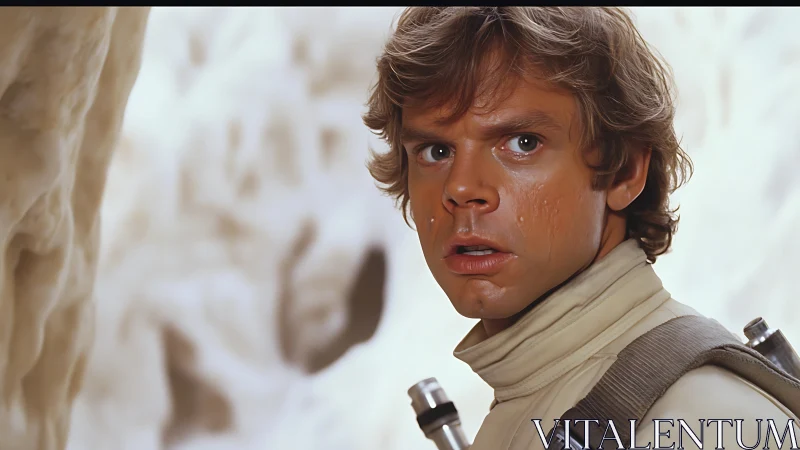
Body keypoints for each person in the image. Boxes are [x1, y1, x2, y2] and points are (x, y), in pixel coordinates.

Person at [363, 7, 799, 450]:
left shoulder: (700, 422)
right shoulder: (539, 398)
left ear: (625, 171)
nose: (460, 188)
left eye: (522, 143)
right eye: (436, 151)